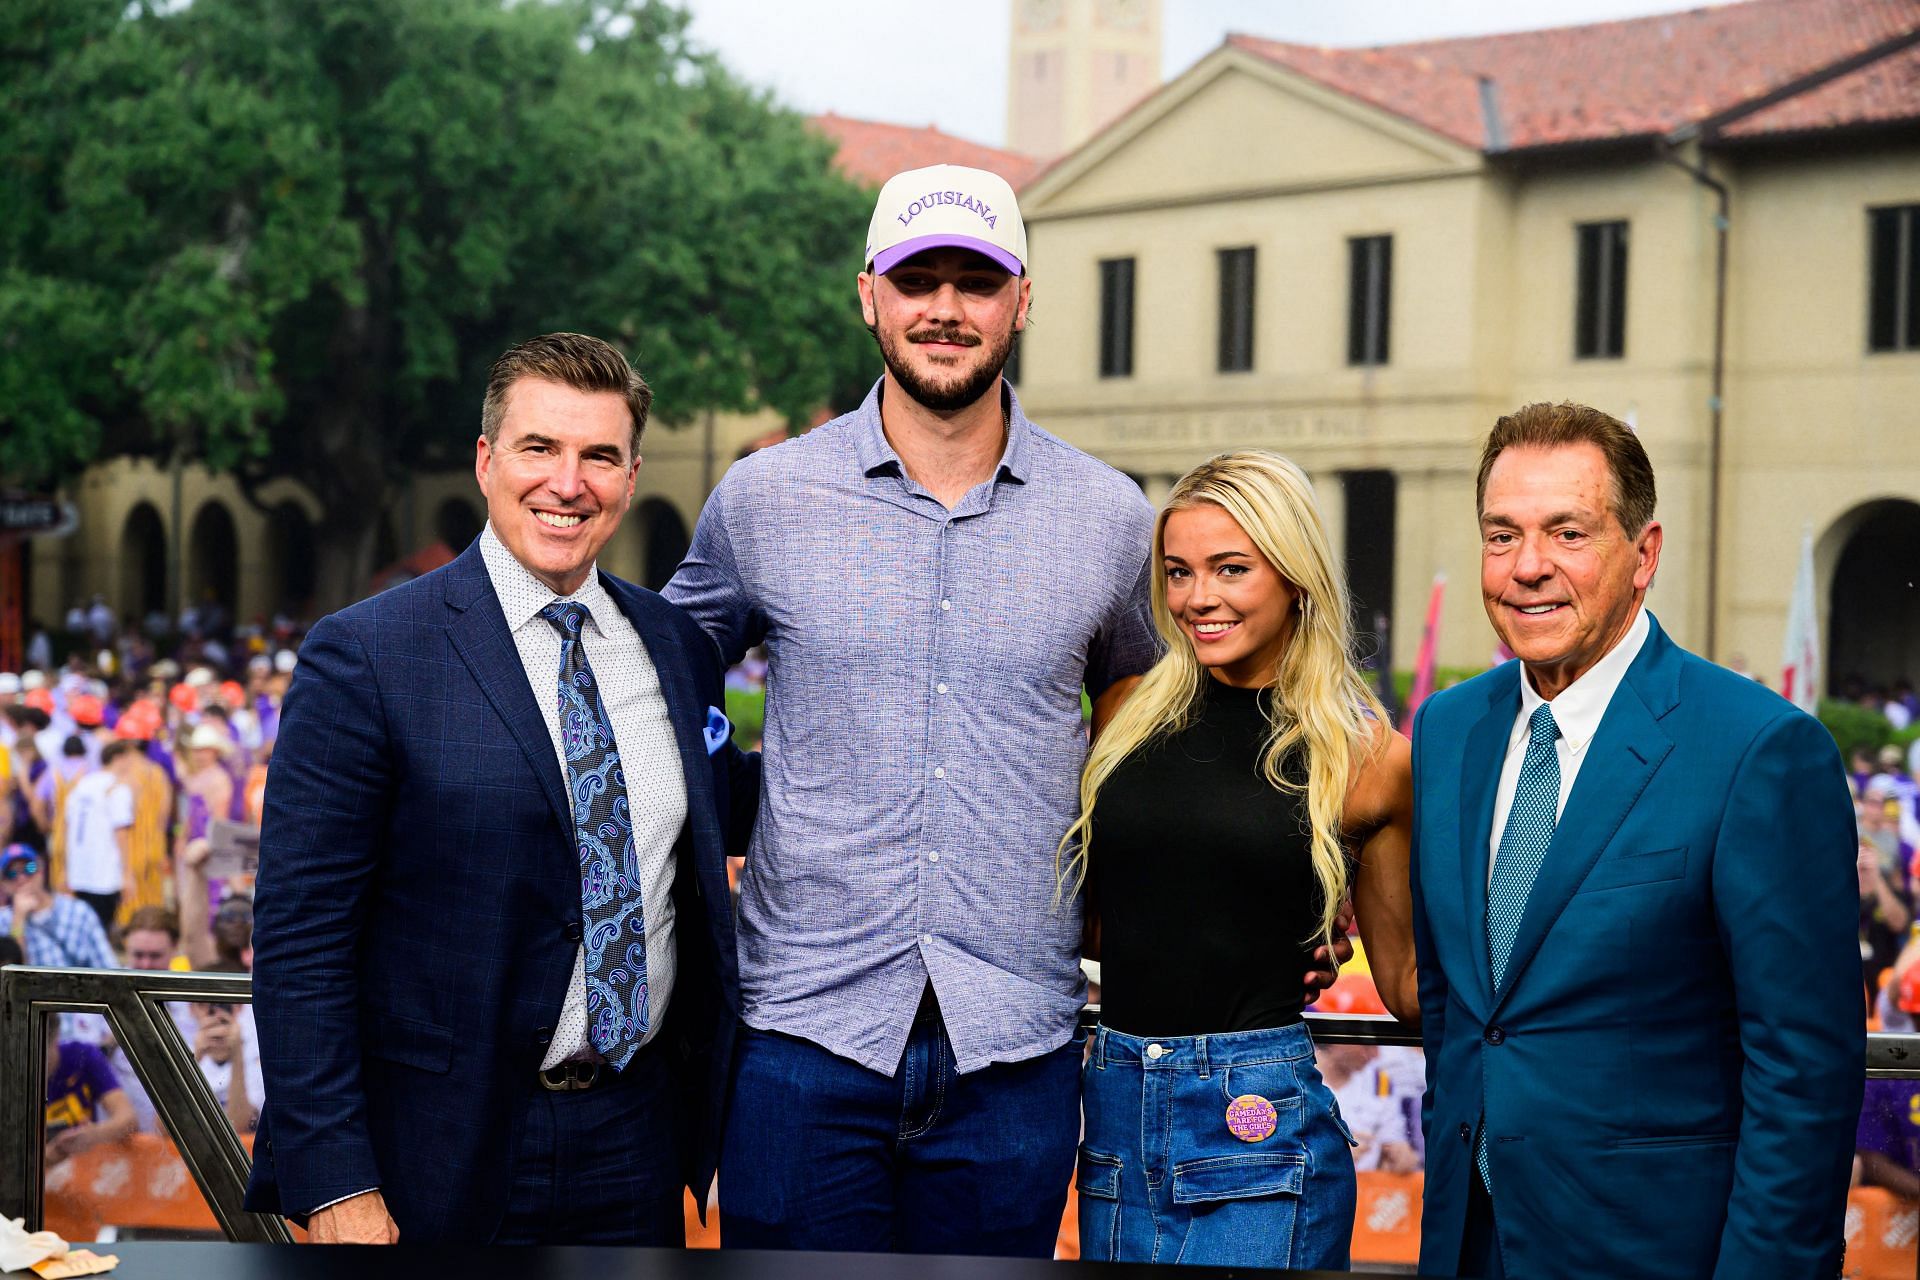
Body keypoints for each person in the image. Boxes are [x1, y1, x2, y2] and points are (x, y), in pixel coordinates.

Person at [665, 164, 1168, 1256]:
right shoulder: (764, 497)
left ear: (1021, 301)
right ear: (870, 296)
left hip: (1014, 1049)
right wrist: (730, 803)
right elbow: (660, 668)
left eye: (976, 281)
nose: (945, 307)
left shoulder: (1110, 517)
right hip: (801, 1035)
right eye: (917, 278)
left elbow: (1147, 703)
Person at [246, 333, 754, 1245]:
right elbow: (300, 938)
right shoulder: (366, 653)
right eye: (539, 449)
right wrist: (333, 1183)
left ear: (631, 475)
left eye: (599, 455)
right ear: (486, 461)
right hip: (434, 1149)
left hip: (634, 1136)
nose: (569, 482)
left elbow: (710, 816)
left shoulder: (674, 648)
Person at [1408, 402, 1862, 1278]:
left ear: (1644, 554)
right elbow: (1459, 1013)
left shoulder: (1756, 750)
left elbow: (1804, 1070)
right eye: (1501, 536)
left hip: (1660, 1254)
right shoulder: (1446, 731)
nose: (1527, 567)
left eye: (1567, 532)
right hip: (1471, 1245)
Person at [1062, 451, 1416, 1268]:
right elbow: (1106, 918)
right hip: (1112, 1102)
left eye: (1231, 569)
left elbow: (1403, 984)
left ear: (1294, 576)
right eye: (1179, 572)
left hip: (1258, 1115)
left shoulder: (1363, 755)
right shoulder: (1125, 720)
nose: (1198, 599)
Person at [60, 740, 142, 931]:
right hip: (105, 874)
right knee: (100, 930)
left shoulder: (82, 785)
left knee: (84, 929)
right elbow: (121, 832)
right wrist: (127, 874)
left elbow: (67, 827)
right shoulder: (117, 788)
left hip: (80, 871)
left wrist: (66, 867)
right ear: (119, 758)